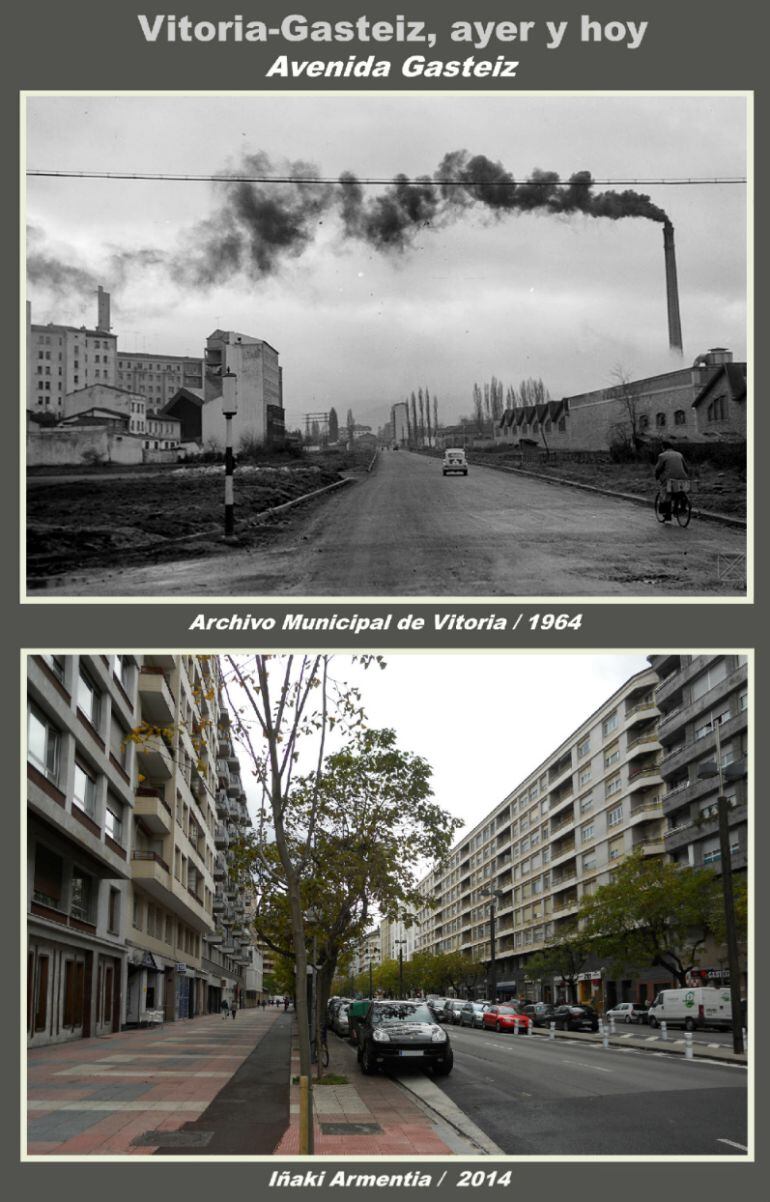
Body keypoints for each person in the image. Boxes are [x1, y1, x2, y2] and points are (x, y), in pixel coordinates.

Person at [654, 441, 689, 521]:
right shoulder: (679, 454)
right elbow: (686, 468)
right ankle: (682, 509)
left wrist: (657, 476)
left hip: (669, 479)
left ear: (663, 447)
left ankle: (667, 514)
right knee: (680, 492)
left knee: (666, 494)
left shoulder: (662, 455)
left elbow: (658, 469)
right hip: (683, 477)